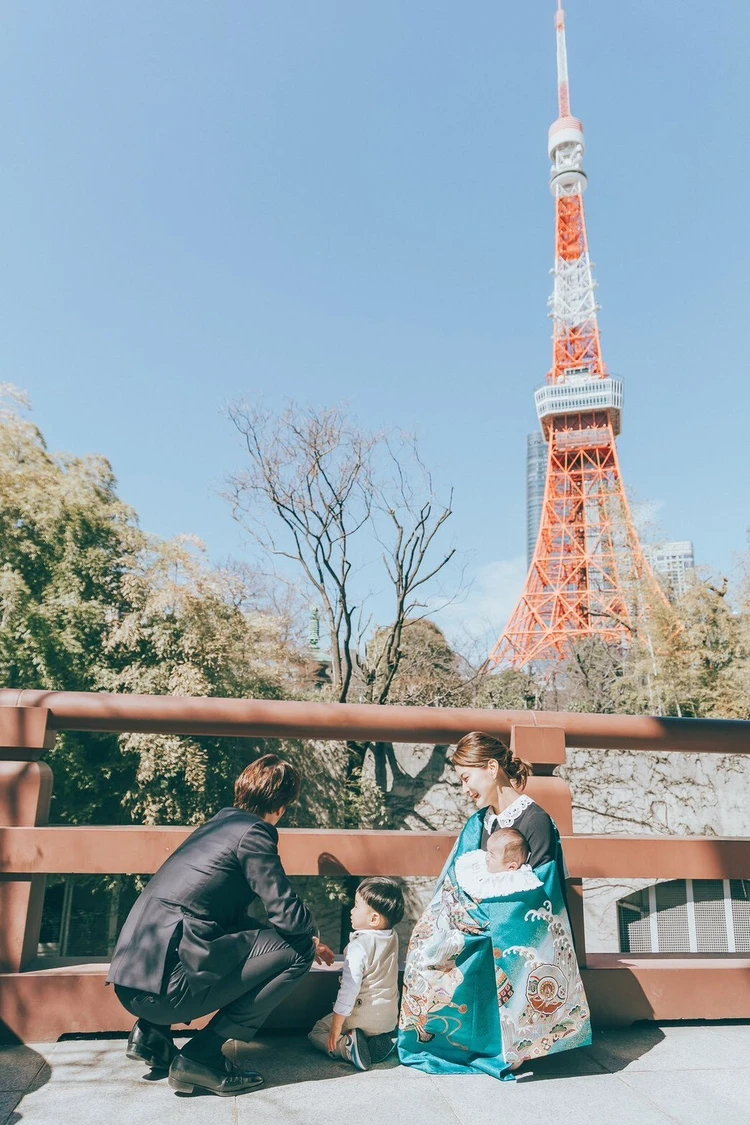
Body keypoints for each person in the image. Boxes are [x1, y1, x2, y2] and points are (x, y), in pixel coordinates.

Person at [107, 753, 336, 1097]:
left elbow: (215, 913)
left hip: (130, 983)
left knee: (278, 938)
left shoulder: (214, 827)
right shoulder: (256, 833)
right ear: (283, 805)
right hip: (166, 991)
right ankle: (202, 1057)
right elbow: (286, 914)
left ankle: (153, 1035)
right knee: (300, 949)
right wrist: (311, 935)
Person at [398, 731, 591, 1080]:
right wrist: (460, 914)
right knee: (424, 946)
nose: (464, 789)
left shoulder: (535, 820)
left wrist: (487, 917)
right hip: (472, 920)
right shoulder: (479, 822)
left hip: (516, 928)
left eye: (466, 778)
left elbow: (540, 892)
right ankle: (445, 1038)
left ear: (491, 767)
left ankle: (510, 1041)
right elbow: (455, 879)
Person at [308, 877, 404, 1071]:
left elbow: (349, 989)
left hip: (362, 1015)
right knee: (368, 1027)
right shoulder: (393, 937)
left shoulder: (358, 947)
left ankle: (347, 1048)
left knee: (318, 1031)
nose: (351, 911)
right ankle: (376, 1039)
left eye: (356, 906)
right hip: (388, 1018)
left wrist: (336, 1026)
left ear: (374, 919)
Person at [454, 827, 543, 901]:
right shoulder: (482, 863)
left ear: (511, 867)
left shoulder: (514, 881)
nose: (487, 857)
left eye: (492, 856)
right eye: (488, 851)